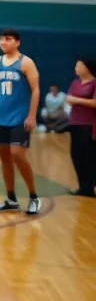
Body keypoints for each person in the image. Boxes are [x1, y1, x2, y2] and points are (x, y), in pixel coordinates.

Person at [0, 29, 41, 215]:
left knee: (17, 154)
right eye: (1, 39)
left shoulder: (26, 62)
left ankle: (33, 197)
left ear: (17, 42)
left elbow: (35, 90)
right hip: (1, 116)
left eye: (7, 39)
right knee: (4, 158)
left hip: (20, 117)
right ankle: (11, 199)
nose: (3, 42)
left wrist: (32, 115)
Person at [65, 58, 96, 197]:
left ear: (87, 67)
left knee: (89, 156)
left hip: (89, 124)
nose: (76, 68)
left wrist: (77, 100)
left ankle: (90, 185)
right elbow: (68, 97)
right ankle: (83, 187)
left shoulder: (94, 83)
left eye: (79, 65)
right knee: (76, 155)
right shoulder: (75, 82)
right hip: (75, 123)